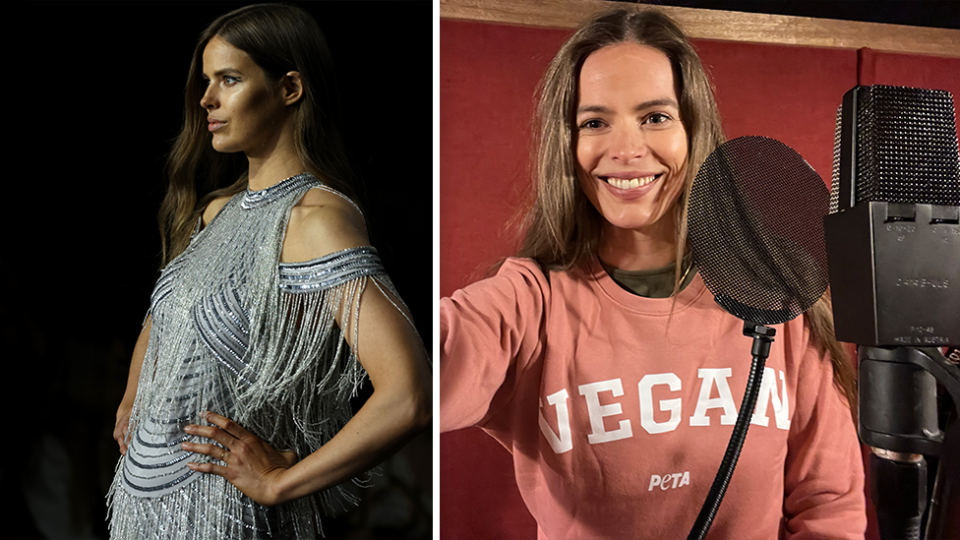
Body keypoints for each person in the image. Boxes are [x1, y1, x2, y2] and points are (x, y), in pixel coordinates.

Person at [440, 9, 865, 540]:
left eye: (655, 117)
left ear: (694, 129)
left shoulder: (776, 295)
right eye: (594, 122)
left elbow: (831, 507)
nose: (626, 150)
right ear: (567, 144)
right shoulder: (529, 301)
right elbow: (433, 366)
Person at [108, 4, 431, 539]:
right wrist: (132, 398)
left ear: (289, 88)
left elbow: (410, 394)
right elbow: (167, 313)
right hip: (142, 509)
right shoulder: (216, 211)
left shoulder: (315, 219)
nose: (207, 98)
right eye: (206, 81)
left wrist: (279, 484)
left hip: (227, 517)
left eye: (229, 79)